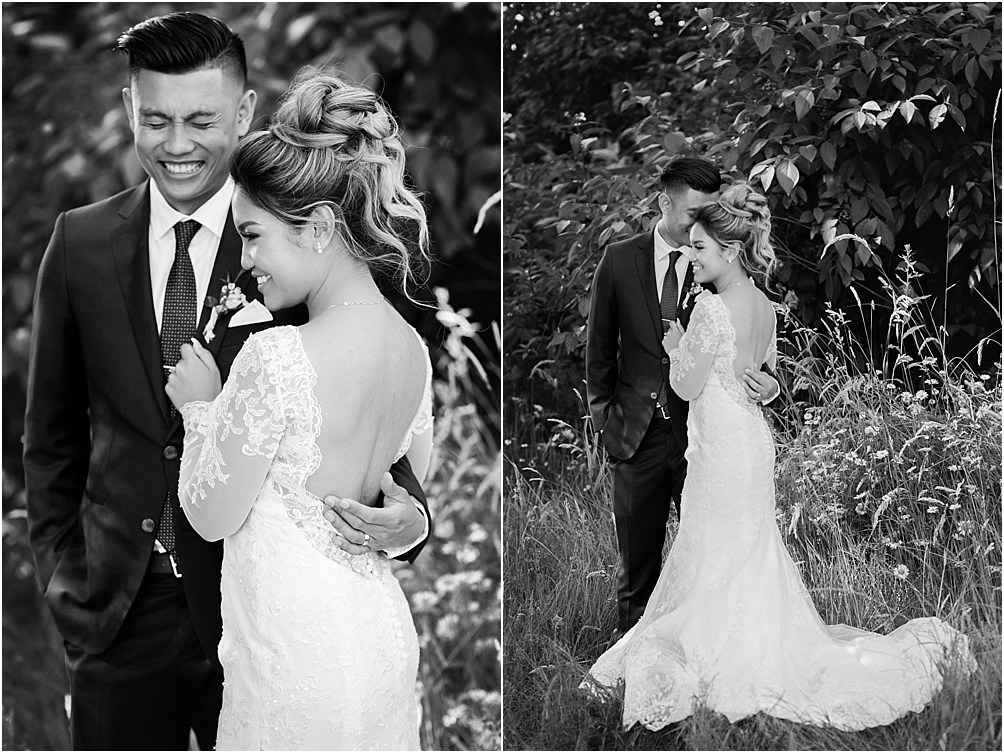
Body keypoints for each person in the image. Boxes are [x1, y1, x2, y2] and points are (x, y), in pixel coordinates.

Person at [22, 13, 430, 751]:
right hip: (117, 619)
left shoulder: (303, 236)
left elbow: (373, 404)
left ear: (243, 112)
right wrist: (71, 599)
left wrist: (413, 521)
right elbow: (50, 440)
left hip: (265, 619)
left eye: (202, 119)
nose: (177, 145)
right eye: (156, 120)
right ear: (128, 112)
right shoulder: (77, 244)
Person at [584, 182, 976, 730]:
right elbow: (764, 373)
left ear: (730, 251)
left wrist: (676, 347)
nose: (691, 256)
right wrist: (766, 386)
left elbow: (687, 384)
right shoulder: (765, 306)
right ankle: (741, 639)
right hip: (748, 440)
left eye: (699, 248)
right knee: (744, 549)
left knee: (714, 550)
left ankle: (720, 655)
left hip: (720, 447)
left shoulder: (710, 310)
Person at [165, 70, 432, 750]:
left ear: (316, 227)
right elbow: (401, 483)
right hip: (377, 638)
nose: (248, 258)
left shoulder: (277, 357)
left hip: (295, 652)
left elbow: (209, 510)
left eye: (254, 236)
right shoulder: (413, 353)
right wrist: (411, 522)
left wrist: (201, 410)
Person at [585, 157, 780, 639]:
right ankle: (634, 665)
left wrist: (772, 386)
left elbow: (756, 356)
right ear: (662, 203)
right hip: (635, 437)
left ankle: (704, 655)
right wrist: (606, 423)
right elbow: (599, 353)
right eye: (692, 213)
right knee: (639, 570)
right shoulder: (619, 260)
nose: (701, 225)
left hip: (708, 442)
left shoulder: (716, 268)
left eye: (709, 213)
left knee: (709, 560)